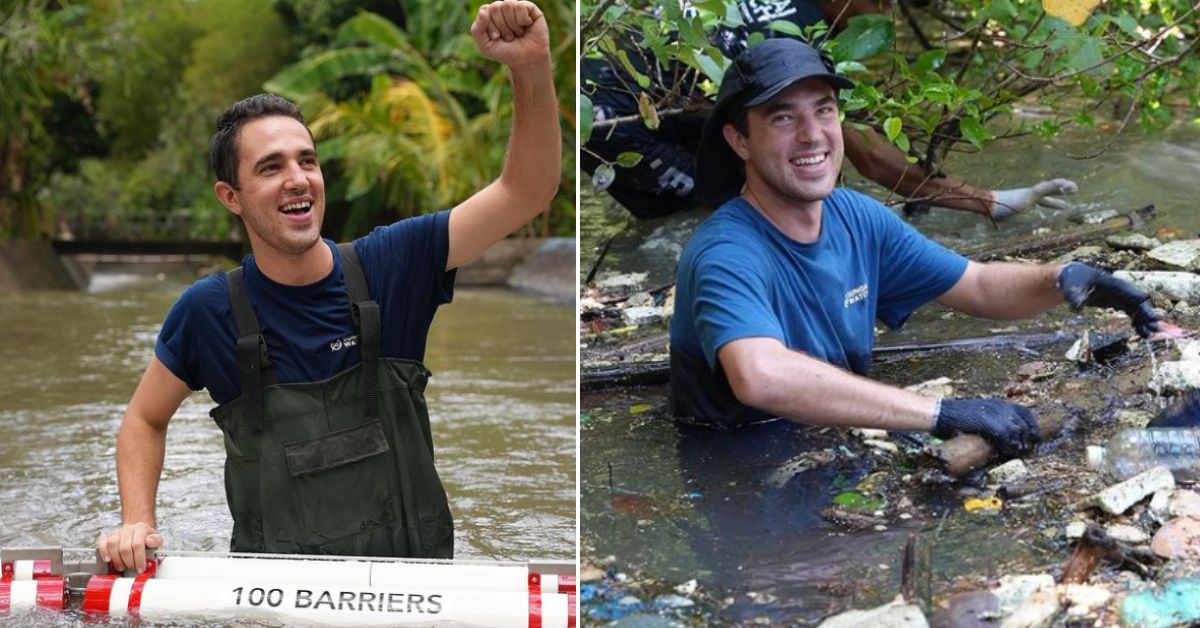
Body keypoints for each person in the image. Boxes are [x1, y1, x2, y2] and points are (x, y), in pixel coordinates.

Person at [96, 0, 560, 574]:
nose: (297, 179)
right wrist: (136, 519)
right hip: (272, 603)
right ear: (230, 197)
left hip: (420, 594)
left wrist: (530, 66)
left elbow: (526, 191)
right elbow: (143, 420)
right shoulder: (208, 312)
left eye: (307, 160)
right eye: (270, 167)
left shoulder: (396, 264)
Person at [668, 38, 1161, 452]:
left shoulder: (858, 217)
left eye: (824, 110)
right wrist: (942, 413)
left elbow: (979, 285)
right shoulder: (727, 253)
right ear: (739, 142)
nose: (812, 135)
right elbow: (761, 376)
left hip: (829, 440)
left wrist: (1065, 277)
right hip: (736, 465)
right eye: (782, 118)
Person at [582, 0, 1077, 221]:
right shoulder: (792, 33)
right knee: (722, 207)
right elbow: (870, 156)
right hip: (610, 114)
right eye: (876, 2)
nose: (884, 13)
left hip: (655, 93)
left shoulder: (795, 17)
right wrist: (989, 200)